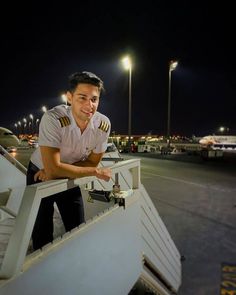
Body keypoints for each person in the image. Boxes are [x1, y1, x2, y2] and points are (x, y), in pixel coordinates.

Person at [27, 71, 112, 250]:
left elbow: (91, 162)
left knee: (77, 225)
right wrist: (94, 172)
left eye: (94, 99)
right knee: (41, 227)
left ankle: (75, 264)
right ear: (70, 97)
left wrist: (56, 170)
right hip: (38, 173)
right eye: (82, 97)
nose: (90, 105)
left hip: (64, 173)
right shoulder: (53, 118)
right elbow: (91, 168)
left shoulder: (103, 125)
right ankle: (44, 269)